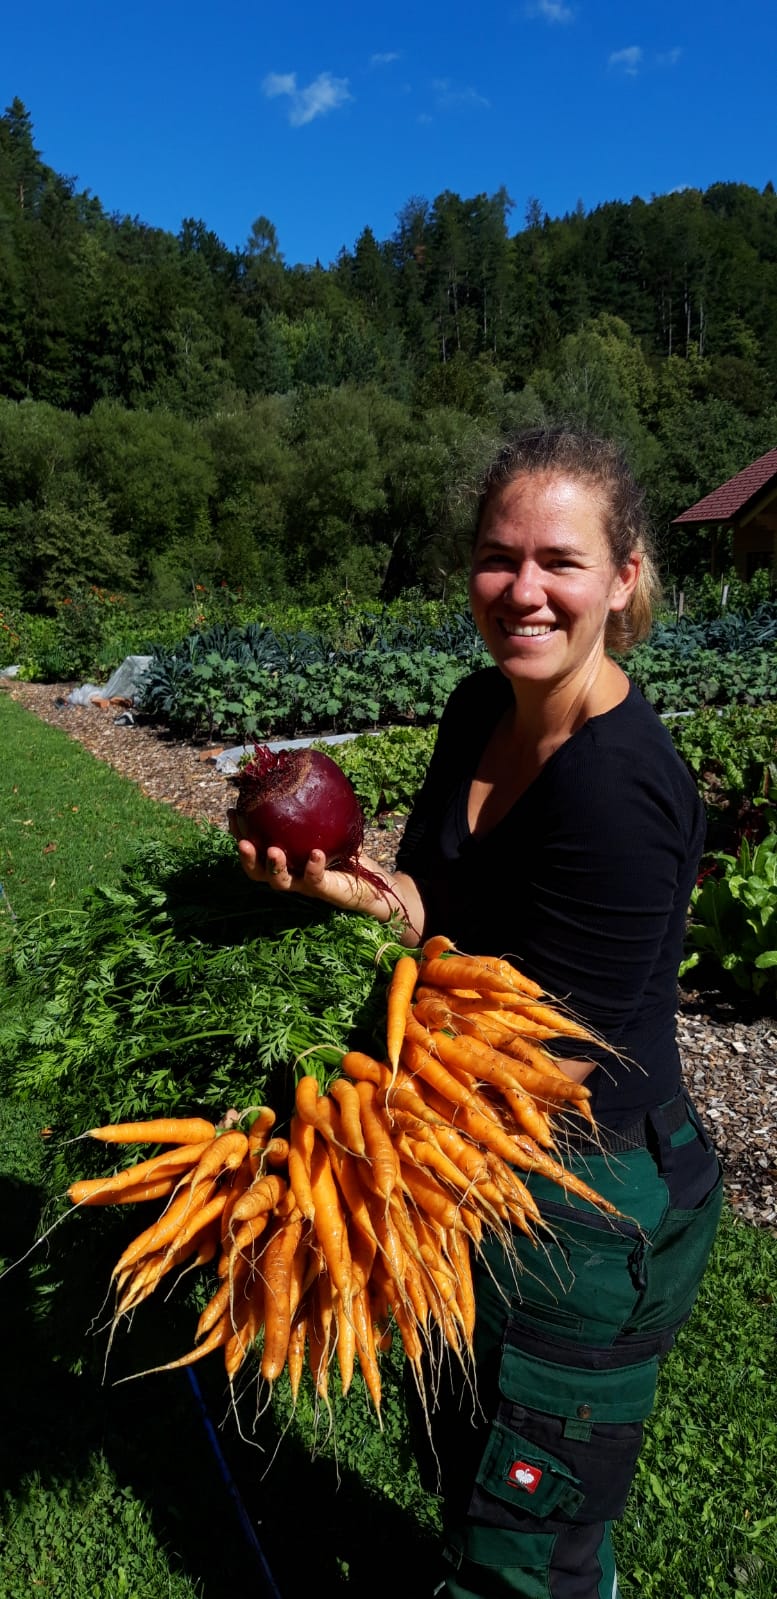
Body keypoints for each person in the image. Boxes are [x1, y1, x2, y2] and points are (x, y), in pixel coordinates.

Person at [232, 426, 723, 1599]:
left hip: (589, 1197)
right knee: (474, 1462)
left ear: (625, 577)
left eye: (560, 559)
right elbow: (430, 907)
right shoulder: (476, 708)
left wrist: (331, 1159)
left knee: (528, 1552)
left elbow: (531, 1062)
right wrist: (349, 892)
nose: (525, 590)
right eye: (500, 557)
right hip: (492, 1168)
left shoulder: (619, 795)